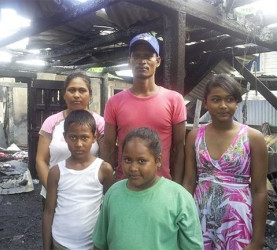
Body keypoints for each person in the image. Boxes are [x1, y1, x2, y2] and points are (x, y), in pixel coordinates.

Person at [182, 74, 268, 249]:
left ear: (237, 102)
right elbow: (189, 182)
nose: (223, 106)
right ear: (206, 103)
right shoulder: (194, 136)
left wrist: (258, 240)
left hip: (237, 221)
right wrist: (182, 221)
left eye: (230, 99)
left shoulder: (253, 138)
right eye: (216, 99)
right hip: (201, 217)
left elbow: (259, 191)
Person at [93, 127, 203, 249]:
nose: (133, 168)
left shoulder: (179, 198)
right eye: (128, 160)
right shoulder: (113, 193)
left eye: (141, 161)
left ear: (158, 161)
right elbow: (100, 243)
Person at [101, 33, 186, 183]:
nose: (142, 61)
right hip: (125, 185)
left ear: (158, 61)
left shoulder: (174, 100)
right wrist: (108, 186)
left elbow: (179, 147)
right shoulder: (114, 102)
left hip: (162, 185)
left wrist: (177, 185)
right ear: (130, 61)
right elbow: (108, 147)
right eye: (137, 56)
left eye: (148, 56)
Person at [42, 110, 114, 250]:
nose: (79, 144)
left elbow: (109, 210)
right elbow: (48, 211)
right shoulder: (56, 172)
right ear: (65, 137)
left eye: (84, 137)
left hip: (92, 245)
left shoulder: (104, 170)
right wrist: (46, 247)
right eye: (73, 137)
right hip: (60, 243)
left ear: (94, 137)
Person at [36, 72, 105, 203]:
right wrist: (52, 192)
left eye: (82, 90)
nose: (76, 95)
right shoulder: (51, 122)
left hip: (88, 196)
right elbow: (41, 160)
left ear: (90, 95)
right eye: (71, 90)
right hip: (54, 194)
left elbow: (105, 161)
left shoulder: (100, 123)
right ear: (64, 94)